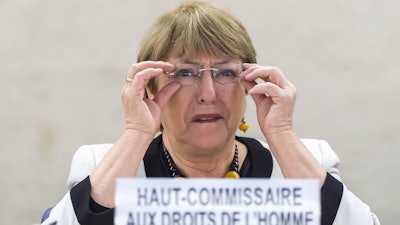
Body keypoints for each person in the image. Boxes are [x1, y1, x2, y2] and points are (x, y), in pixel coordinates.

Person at [41, 1, 380, 225]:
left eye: (225, 73)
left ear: (250, 83)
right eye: (185, 74)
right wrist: (135, 133)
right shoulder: (103, 166)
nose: (208, 94)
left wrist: (282, 135)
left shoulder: (305, 163)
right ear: (151, 89)